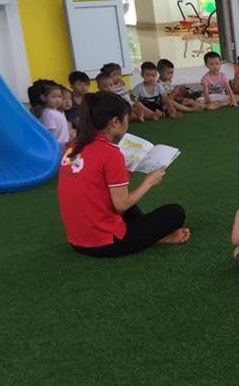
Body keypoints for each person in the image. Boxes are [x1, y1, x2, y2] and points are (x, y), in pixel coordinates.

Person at [57, 91, 188, 257]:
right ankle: (153, 237)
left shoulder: (74, 146)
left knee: (125, 200)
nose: (128, 122)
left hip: (76, 241)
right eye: (127, 118)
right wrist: (148, 182)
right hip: (105, 243)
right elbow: (122, 205)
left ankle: (148, 234)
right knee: (175, 212)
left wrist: (126, 176)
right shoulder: (111, 153)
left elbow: (97, 187)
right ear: (115, 122)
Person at [34, 80, 70, 150]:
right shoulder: (48, 113)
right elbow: (49, 133)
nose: (57, 100)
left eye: (59, 96)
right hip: (57, 146)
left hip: (63, 144)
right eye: (54, 97)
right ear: (43, 98)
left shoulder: (58, 112)